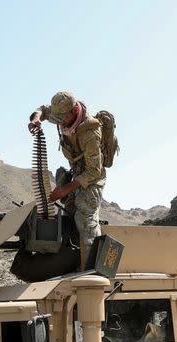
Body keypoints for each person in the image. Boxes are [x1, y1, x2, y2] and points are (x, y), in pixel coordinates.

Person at [28, 91, 106, 267]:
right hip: (77, 172)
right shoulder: (62, 113)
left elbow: (94, 171)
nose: (59, 121)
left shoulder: (90, 132)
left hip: (92, 178)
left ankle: (95, 270)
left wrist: (64, 190)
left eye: (62, 118)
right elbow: (42, 110)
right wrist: (36, 118)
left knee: (84, 217)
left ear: (72, 112)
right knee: (70, 214)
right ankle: (74, 258)